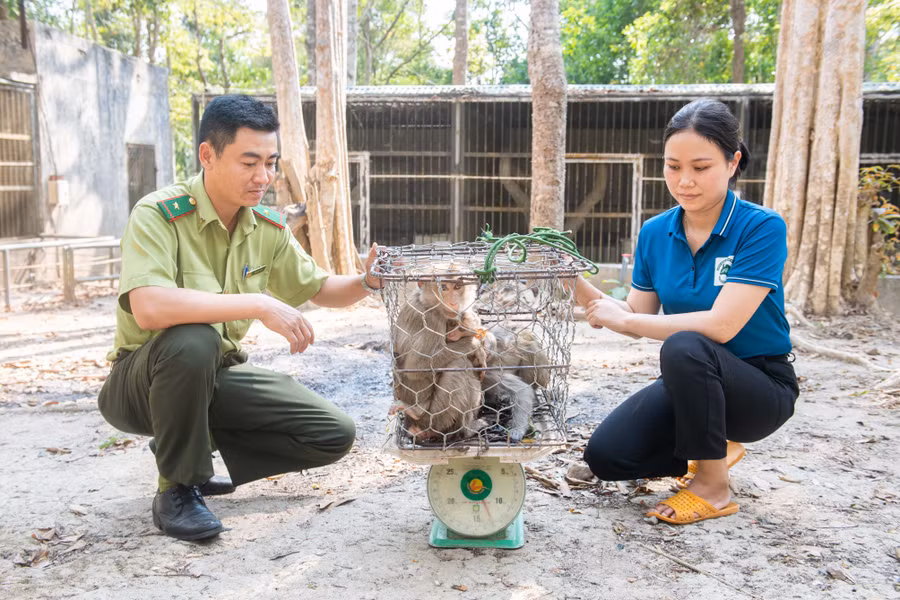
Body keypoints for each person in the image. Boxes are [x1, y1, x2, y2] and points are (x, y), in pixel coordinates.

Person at [98, 95, 383, 541]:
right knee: (194, 339)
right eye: (249, 162)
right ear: (207, 154)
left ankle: (188, 447)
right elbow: (150, 307)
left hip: (210, 377)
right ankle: (176, 490)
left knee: (332, 433)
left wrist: (368, 280)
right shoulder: (158, 213)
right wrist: (257, 303)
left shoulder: (265, 228)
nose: (263, 177)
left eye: (270, 162)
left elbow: (321, 287)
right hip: (139, 383)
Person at [575, 99, 799, 525]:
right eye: (673, 166)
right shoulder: (656, 232)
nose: (685, 181)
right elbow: (634, 313)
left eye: (700, 167)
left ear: (733, 162)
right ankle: (714, 444)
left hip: (760, 387)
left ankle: (713, 486)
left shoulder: (761, 227)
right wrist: (570, 278)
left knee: (686, 345)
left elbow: (722, 325)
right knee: (606, 458)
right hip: (691, 383)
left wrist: (627, 320)